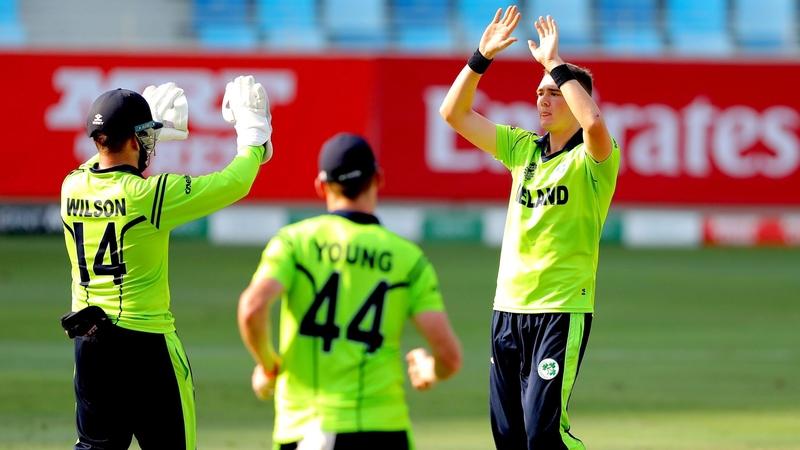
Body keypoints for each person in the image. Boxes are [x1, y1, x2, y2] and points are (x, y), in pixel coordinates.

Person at [439, 6, 621, 449]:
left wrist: (554, 64)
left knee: (544, 435)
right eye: (540, 91)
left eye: (554, 93)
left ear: (575, 99)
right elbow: (453, 113)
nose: (542, 98)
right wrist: (480, 57)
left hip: (561, 311)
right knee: (509, 437)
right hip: (508, 309)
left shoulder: (595, 159)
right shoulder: (522, 149)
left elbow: (593, 122)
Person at [60, 75, 273, 449]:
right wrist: (254, 137)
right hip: (145, 347)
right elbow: (234, 182)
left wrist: (145, 130)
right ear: (130, 140)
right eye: (143, 136)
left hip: (89, 341)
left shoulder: (71, 186)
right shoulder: (149, 196)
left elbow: (101, 156)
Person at [237, 132, 463, 450]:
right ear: (378, 179)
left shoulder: (294, 241)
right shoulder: (409, 259)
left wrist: (268, 365)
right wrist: (431, 369)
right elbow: (450, 357)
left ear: (320, 186)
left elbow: (252, 308)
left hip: (309, 427)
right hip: (385, 428)